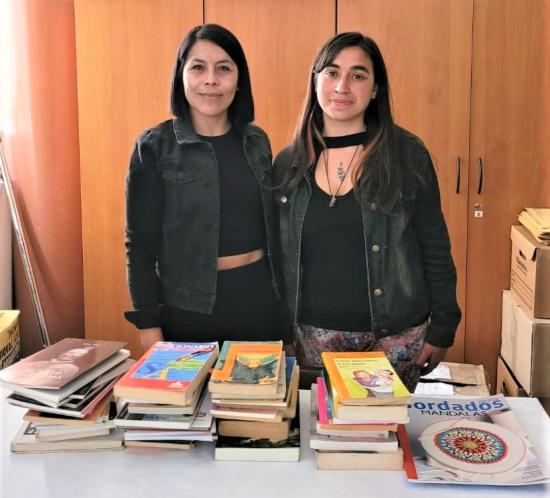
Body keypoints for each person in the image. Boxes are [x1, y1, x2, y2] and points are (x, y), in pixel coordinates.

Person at [273, 32, 461, 390]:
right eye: (331, 72)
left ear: (375, 89)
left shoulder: (407, 154)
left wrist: (443, 328)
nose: (342, 86)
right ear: (315, 81)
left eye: (358, 75)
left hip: (395, 339)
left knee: (386, 441)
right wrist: (279, 332)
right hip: (313, 341)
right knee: (324, 441)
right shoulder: (289, 164)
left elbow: (434, 245)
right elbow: (278, 262)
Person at [124, 24, 282, 352]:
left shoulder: (257, 141)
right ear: (181, 77)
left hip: (258, 304)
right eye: (198, 67)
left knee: (254, 404)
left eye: (223, 68)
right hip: (186, 311)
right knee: (189, 403)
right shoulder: (154, 147)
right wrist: (149, 326)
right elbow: (139, 247)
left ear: (239, 81)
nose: (211, 79)